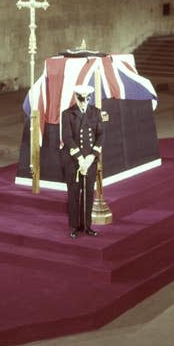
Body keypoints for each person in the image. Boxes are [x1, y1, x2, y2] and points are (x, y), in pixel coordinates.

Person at [60, 84, 104, 238]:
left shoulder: (95, 112)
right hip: (74, 161)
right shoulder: (67, 114)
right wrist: (80, 158)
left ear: (89, 98)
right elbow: (67, 137)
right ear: (75, 97)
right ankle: (75, 226)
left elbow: (100, 135)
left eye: (86, 99)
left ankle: (87, 225)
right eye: (80, 99)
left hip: (90, 159)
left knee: (88, 194)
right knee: (73, 194)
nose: (83, 102)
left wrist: (92, 156)